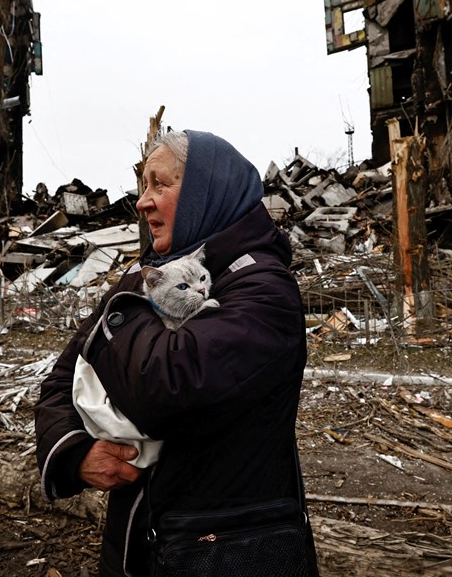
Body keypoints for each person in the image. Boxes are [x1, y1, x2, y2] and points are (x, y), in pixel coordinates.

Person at [34, 130, 317, 575]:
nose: (143, 202)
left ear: (207, 191)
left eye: (159, 184)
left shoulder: (263, 290)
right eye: (142, 186)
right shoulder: (157, 275)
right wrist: (74, 451)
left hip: (226, 550)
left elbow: (167, 385)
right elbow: (63, 376)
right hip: (140, 538)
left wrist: (125, 305)